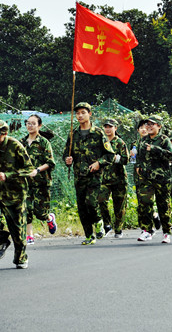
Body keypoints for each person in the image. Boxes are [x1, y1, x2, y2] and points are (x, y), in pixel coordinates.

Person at [64, 102, 115, 245]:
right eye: (77, 113)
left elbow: (109, 155)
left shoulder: (98, 133)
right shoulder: (73, 134)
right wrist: (68, 160)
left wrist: (99, 163)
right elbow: (66, 155)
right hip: (79, 176)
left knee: (91, 203)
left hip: (94, 176)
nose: (80, 115)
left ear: (89, 114)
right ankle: (89, 235)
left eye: (83, 112)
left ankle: (99, 221)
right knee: (81, 206)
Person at [0, 120, 33, 269]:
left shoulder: (15, 146)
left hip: (15, 193)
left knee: (18, 231)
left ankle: (21, 257)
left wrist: (8, 175)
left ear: (5, 134)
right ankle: (2, 240)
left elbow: (29, 169)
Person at [135, 115, 172, 244]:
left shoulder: (164, 140)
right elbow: (139, 157)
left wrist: (154, 149)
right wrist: (137, 166)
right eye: (148, 124)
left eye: (153, 124)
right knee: (144, 203)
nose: (149, 126)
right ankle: (146, 230)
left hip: (162, 178)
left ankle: (166, 232)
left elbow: (170, 156)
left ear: (159, 126)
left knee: (163, 205)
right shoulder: (143, 140)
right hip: (146, 178)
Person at [20, 114, 57, 245]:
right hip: (26, 183)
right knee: (26, 209)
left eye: (33, 123)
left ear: (39, 126)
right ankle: (29, 235)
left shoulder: (43, 142)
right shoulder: (22, 142)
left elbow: (50, 162)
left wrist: (37, 170)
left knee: (41, 212)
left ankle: (49, 218)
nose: (30, 126)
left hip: (42, 182)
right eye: (28, 123)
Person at [97, 118, 129, 238]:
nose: (108, 129)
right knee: (101, 200)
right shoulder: (102, 142)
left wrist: (116, 158)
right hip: (104, 179)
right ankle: (107, 224)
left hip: (119, 179)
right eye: (106, 127)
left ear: (115, 128)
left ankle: (118, 229)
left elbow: (126, 160)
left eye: (110, 127)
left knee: (119, 205)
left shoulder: (120, 143)